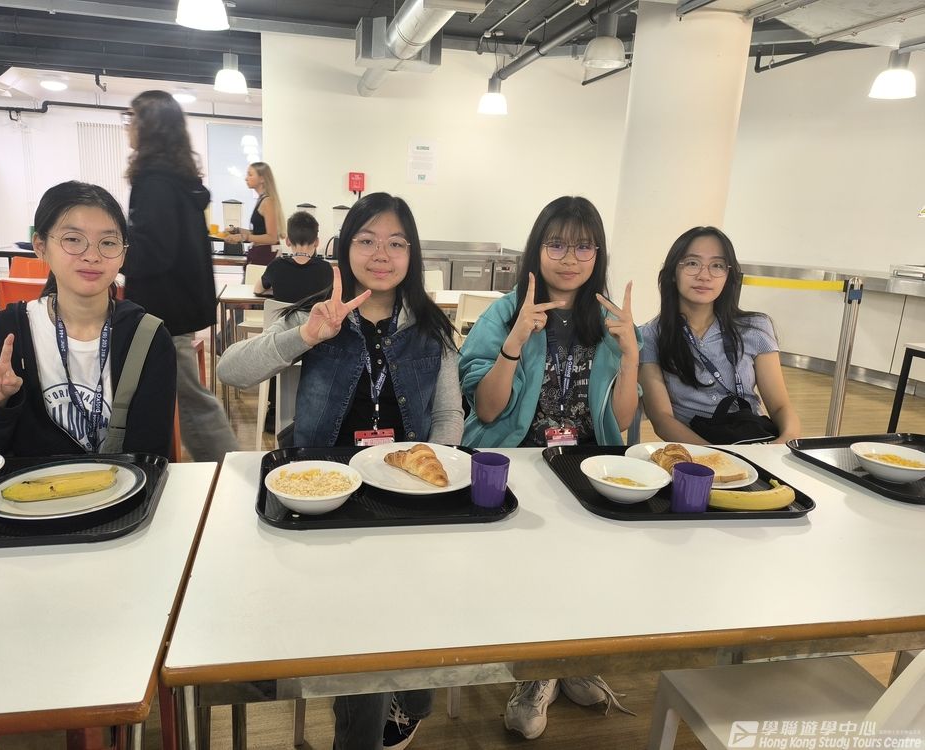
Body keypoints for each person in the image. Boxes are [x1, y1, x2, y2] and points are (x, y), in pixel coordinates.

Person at [218, 192, 462, 749]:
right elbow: (232, 371)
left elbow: (449, 416)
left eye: (396, 243)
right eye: (367, 240)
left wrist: (433, 473)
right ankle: (367, 727)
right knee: (367, 616)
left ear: (412, 254)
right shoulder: (316, 313)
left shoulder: (431, 327)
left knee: (411, 596)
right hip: (322, 493)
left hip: (405, 493)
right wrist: (304, 336)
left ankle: (405, 700)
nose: (381, 254)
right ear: (345, 247)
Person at [458, 195, 638, 740]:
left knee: (588, 563)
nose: (569, 258)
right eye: (556, 244)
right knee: (532, 566)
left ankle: (570, 658)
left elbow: (620, 422)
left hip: (586, 465)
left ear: (598, 255)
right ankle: (536, 671)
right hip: (516, 462)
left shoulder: (608, 320)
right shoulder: (505, 312)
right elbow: (488, 410)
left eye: (584, 246)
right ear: (536, 249)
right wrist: (515, 342)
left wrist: (631, 356)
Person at [0, 181, 175, 458]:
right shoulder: (9, 334)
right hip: (29, 485)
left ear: (123, 254)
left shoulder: (146, 338)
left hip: (121, 483)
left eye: (108, 243)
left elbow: (150, 454)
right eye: (73, 239)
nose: (92, 256)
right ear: (40, 246)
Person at [120, 89, 238, 463]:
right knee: (179, 396)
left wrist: (114, 252)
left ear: (149, 126)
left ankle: (230, 472)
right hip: (174, 305)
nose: (127, 127)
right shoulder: (176, 179)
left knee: (190, 400)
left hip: (162, 309)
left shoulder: (155, 181)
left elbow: (155, 250)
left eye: (131, 118)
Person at [639, 226, 800, 444]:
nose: (704, 276)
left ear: (728, 275)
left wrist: (785, 442)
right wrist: (718, 457)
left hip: (752, 444)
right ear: (673, 273)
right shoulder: (651, 336)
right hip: (693, 452)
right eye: (692, 263)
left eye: (717, 265)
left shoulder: (755, 327)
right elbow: (662, 420)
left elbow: (780, 406)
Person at [257, 210, 333, 303]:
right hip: (313, 313)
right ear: (316, 242)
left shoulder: (276, 266)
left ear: (288, 241)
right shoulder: (326, 269)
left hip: (283, 313)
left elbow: (257, 290)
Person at [225, 161, 286, 266]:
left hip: (265, 256)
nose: (246, 178)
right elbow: (259, 232)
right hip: (259, 254)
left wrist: (243, 237)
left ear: (262, 179)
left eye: (250, 174)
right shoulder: (261, 200)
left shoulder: (267, 201)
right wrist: (237, 230)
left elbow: (272, 238)